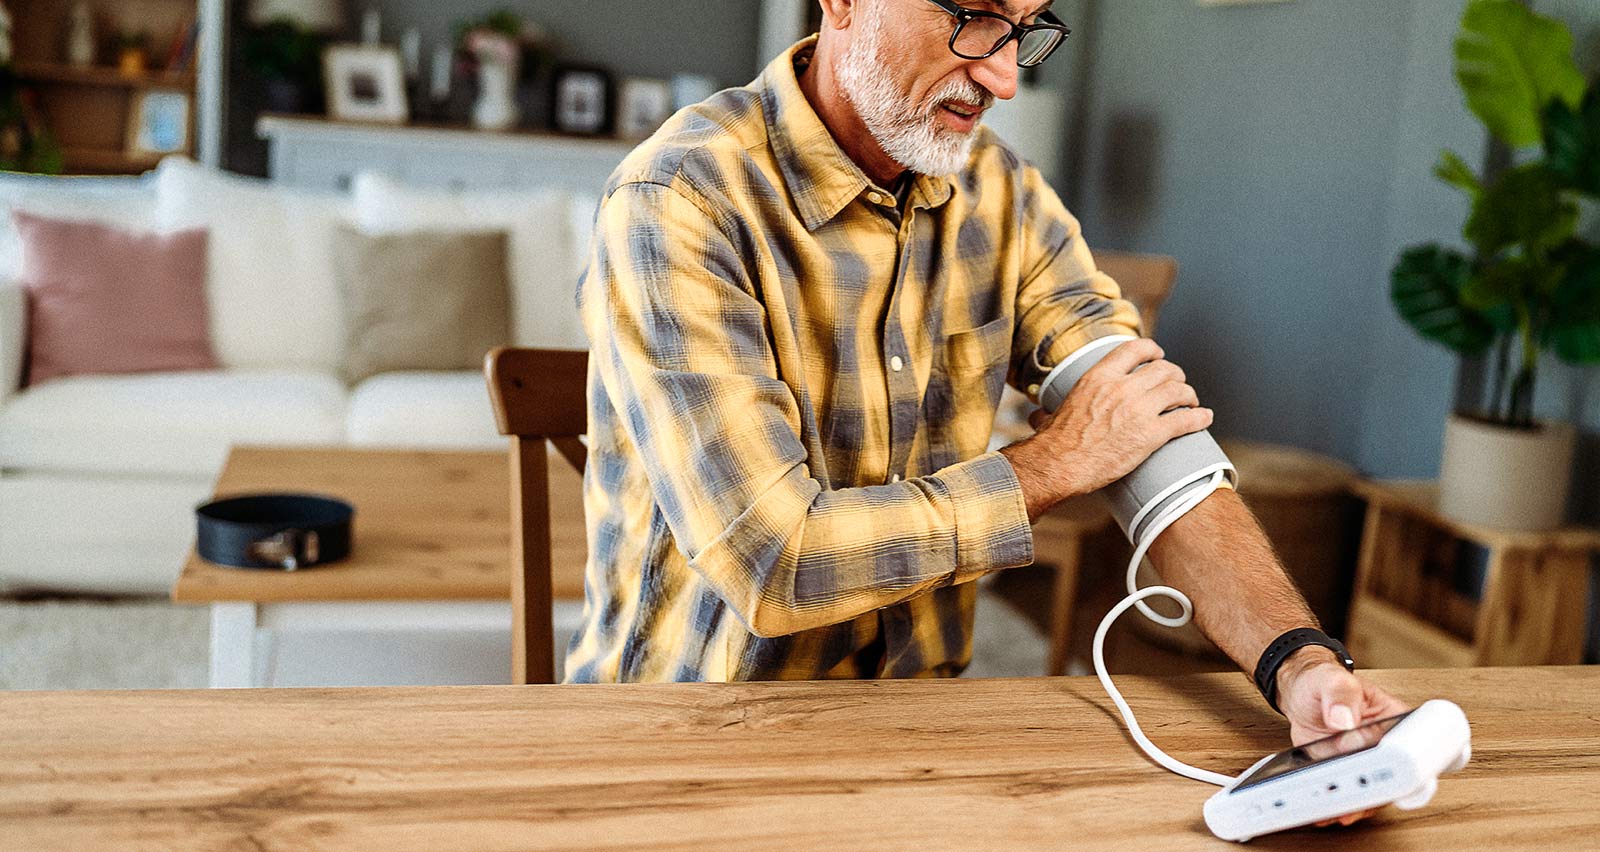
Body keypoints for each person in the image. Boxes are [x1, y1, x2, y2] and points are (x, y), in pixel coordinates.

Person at [569, 1, 1406, 822]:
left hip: (925, 737)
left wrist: (1300, 666)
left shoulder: (1002, 193)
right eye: (973, 14)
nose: (1005, 75)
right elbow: (774, 563)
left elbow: (1154, 438)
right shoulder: (680, 197)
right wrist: (1053, 464)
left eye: (1027, 27)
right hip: (692, 741)